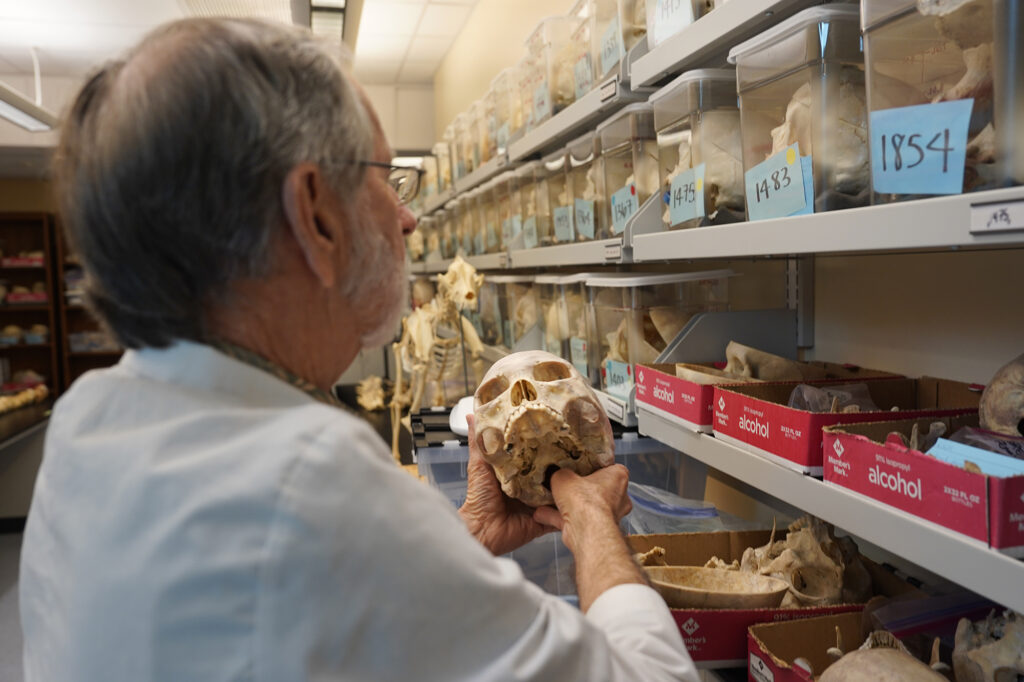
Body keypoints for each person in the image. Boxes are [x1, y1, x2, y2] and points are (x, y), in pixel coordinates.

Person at [19, 17, 697, 682]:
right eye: (386, 178)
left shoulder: (90, 417)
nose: (406, 216)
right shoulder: (309, 480)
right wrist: (591, 519)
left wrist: (459, 548)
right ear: (315, 213)